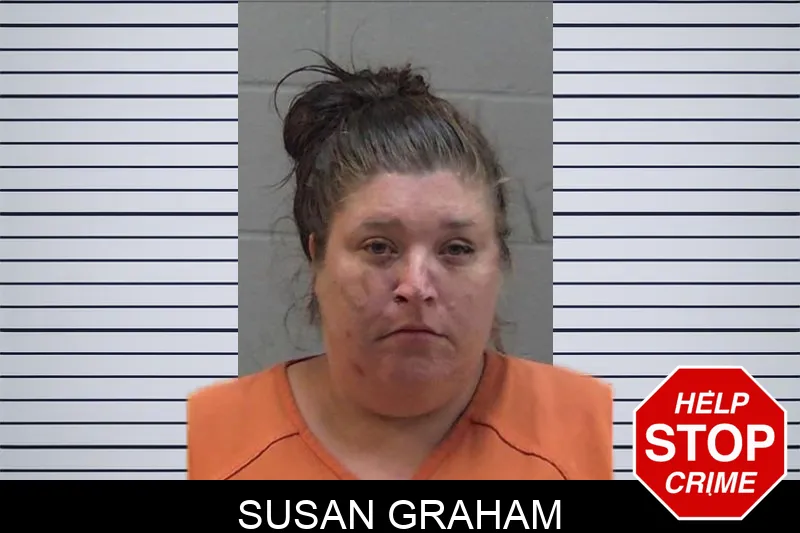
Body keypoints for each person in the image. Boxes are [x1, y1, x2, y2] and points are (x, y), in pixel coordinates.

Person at [187, 53, 614, 480]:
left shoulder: (601, 432)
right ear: (317, 259)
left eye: (457, 249)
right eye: (379, 247)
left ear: (498, 265)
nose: (416, 285)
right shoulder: (201, 440)